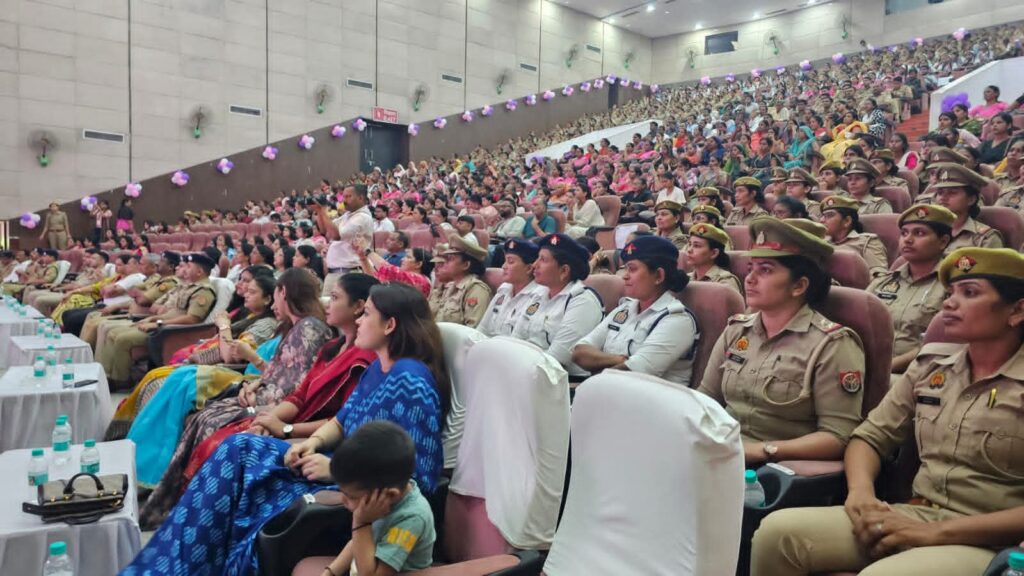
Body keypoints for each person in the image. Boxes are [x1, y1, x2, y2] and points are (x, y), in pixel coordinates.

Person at [119, 283, 447, 576]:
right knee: (239, 447)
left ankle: (182, 565)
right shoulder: (379, 368)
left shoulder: (411, 382)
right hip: (336, 462)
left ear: (390, 325)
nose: (360, 320)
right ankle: (180, 564)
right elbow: (341, 420)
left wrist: (334, 469)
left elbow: (410, 474)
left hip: (358, 485)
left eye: (368, 314)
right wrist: (311, 443)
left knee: (250, 482)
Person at [751, 247, 1024, 576]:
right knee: (777, 534)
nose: (949, 303)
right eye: (951, 292)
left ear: (1017, 310)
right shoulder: (932, 366)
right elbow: (869, 437)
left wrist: (935, 533)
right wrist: (861, 495)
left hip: (992, 542)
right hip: (916, 514)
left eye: (969, 293)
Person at [133, 268, 332, 528]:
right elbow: (277, 372)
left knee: (206, 414)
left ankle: (191, 506)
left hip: (272, 399)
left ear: (282, 292)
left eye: (254, 290)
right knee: (189, 398)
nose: (245, 292)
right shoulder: (286, 325)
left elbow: (296, 382)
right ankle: (167, 490)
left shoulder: (307, 328)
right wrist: (256, 383)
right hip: (260, 388)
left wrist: (261, 399)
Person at [698, 217, 866, 465]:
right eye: (751, 268)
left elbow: (837, 436)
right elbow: (705, 399)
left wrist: (761, 450)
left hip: (775, 467)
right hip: (719, 452)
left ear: (799, 285)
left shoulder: (831, 345)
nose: (750, 278)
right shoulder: (737, 330)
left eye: (765, 270)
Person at [105, 269, 279, 438]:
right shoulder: (247, 314)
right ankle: (132, 431)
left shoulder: (265, 324)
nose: (246, 294)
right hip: (214, 364)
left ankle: (146, 435)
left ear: (268, 299)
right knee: (154, 377)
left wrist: (224, 326)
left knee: (160, 383)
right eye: (246, 290)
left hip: (230, 372)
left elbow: (230, 356)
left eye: (252, 292)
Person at [291, 422, 436, 576]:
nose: (344, 501)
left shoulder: (411, 519)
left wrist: (361, 523)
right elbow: (357, 542)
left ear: (391, 494)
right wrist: (330, 572)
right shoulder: (382, 502)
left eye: (351, 496)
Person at [572, 236, 697, 385]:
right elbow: (579, 353)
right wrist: (620, 359)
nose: (625, 276)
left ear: (658, 276)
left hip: (649, 397)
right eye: (625, 269)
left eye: (632, 269)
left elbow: (633, 373)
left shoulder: (676, 320)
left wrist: (601, 367)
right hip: (609, 391)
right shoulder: (625, 309)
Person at [96, 252, 217, 386]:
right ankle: (106, 374)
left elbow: (192, 319)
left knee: (122, 338)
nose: (183, 269)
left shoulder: (203, 291)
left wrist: (158, 323)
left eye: (188, 267)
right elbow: (171, 312)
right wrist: (152, 319)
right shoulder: (187, 287)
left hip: (170, 332)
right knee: (113, 332)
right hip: (161, 324)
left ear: (199, 272)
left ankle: (120, 380)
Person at [867, 204, 953, 374]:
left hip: (922, 372)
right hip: (870, 367)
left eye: (919, 233)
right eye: (904, 233)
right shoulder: (882, 282)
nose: (908, 239)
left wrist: (884, 369)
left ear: (943, 241)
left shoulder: (952, 286)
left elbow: (941, 343)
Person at [513, 233, 604, 379]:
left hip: (563, 380)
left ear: (564, 271)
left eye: (543, 260)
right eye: (537, 258)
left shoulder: (582, 301)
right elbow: (515, 340)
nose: (535, 265)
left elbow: (557, 359)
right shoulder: (539, 293)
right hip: (527, 371)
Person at [929, 162, 1004, 253]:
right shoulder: (927, 231)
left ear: (971, 200)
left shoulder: (984, 238)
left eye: (952, 192)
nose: (943, 197)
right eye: (940, 193)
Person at [315, 184, 374, 296]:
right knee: (326, 306)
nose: (344, 200)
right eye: (344, 196)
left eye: (348, 196)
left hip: (350, 273)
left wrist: (323, 211)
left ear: (361, 198)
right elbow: (324, 230)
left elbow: (336, 235)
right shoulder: (347, 215)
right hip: (334, 272)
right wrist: (319, 211)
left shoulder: (362, 217)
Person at [478, 239, 540, 337]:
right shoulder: (504, 289)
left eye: (510, 262)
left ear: (529, 268)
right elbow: (482, 328)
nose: (503, 266)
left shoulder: (537, 297)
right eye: (504, 261)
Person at [427, 234, 492, 328]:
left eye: (451, 259)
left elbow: (472, 330)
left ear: (466, 265)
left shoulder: (476, 290)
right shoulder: (450, 287)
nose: (446, 262)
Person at [819, 195, 890, 277]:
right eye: (822, 216)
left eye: (829, 215)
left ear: (847, 221)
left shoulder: (867, 242)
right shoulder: (822, 243)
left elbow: (879, 277)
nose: (821, 220)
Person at [353, 235, 433, 297]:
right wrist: (363, 258)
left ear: (418, 264)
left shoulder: (422, 280)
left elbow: (389, 270)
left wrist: (367, 250)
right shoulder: (405, 277)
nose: (402, 259)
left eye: (408, 257)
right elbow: (374, 279)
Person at [686, 223, 742, 294]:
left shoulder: (725, 282)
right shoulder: (686, 278)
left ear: (714, 253)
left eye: (697, 246)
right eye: (690, 244)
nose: (689, 250)